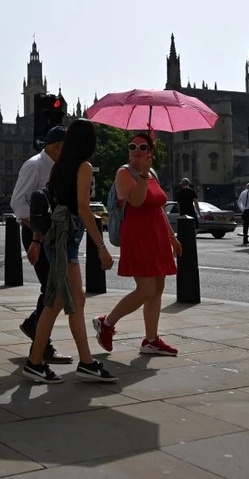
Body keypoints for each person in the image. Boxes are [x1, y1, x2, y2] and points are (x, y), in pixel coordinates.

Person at [25, 118, 116, 384]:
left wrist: (37, 240)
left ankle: (84, 362)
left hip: (59, 239)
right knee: (59, 303)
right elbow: (83, 208)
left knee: (70, 302)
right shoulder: (83, 167)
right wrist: (101, 246)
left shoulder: (59, 167)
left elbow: (49, 203)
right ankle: (36, 363)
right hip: (67, 241)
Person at [93, 132, 183, 357]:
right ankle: (107, 323)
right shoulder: (124, 173)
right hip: (138, 237)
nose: (136, 150)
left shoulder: (152, 173)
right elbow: (135, 201)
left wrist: (172, 237)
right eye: (132, 146)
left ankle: (151, 340)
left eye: (142, 147)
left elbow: (159, 208)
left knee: (158, 288)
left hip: (157, 235)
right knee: (146, 289)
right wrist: (142, 175)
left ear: (150, 152)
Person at [10, 125, 72, 366]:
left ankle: (35, 326)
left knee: (52, 288)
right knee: (51, 288)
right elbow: (18, 204)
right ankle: (41, 344)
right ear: (57, 146)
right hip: (36, 234)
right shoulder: (35, 165)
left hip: (51, 235)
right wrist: (39, 231)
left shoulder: (57, 167)